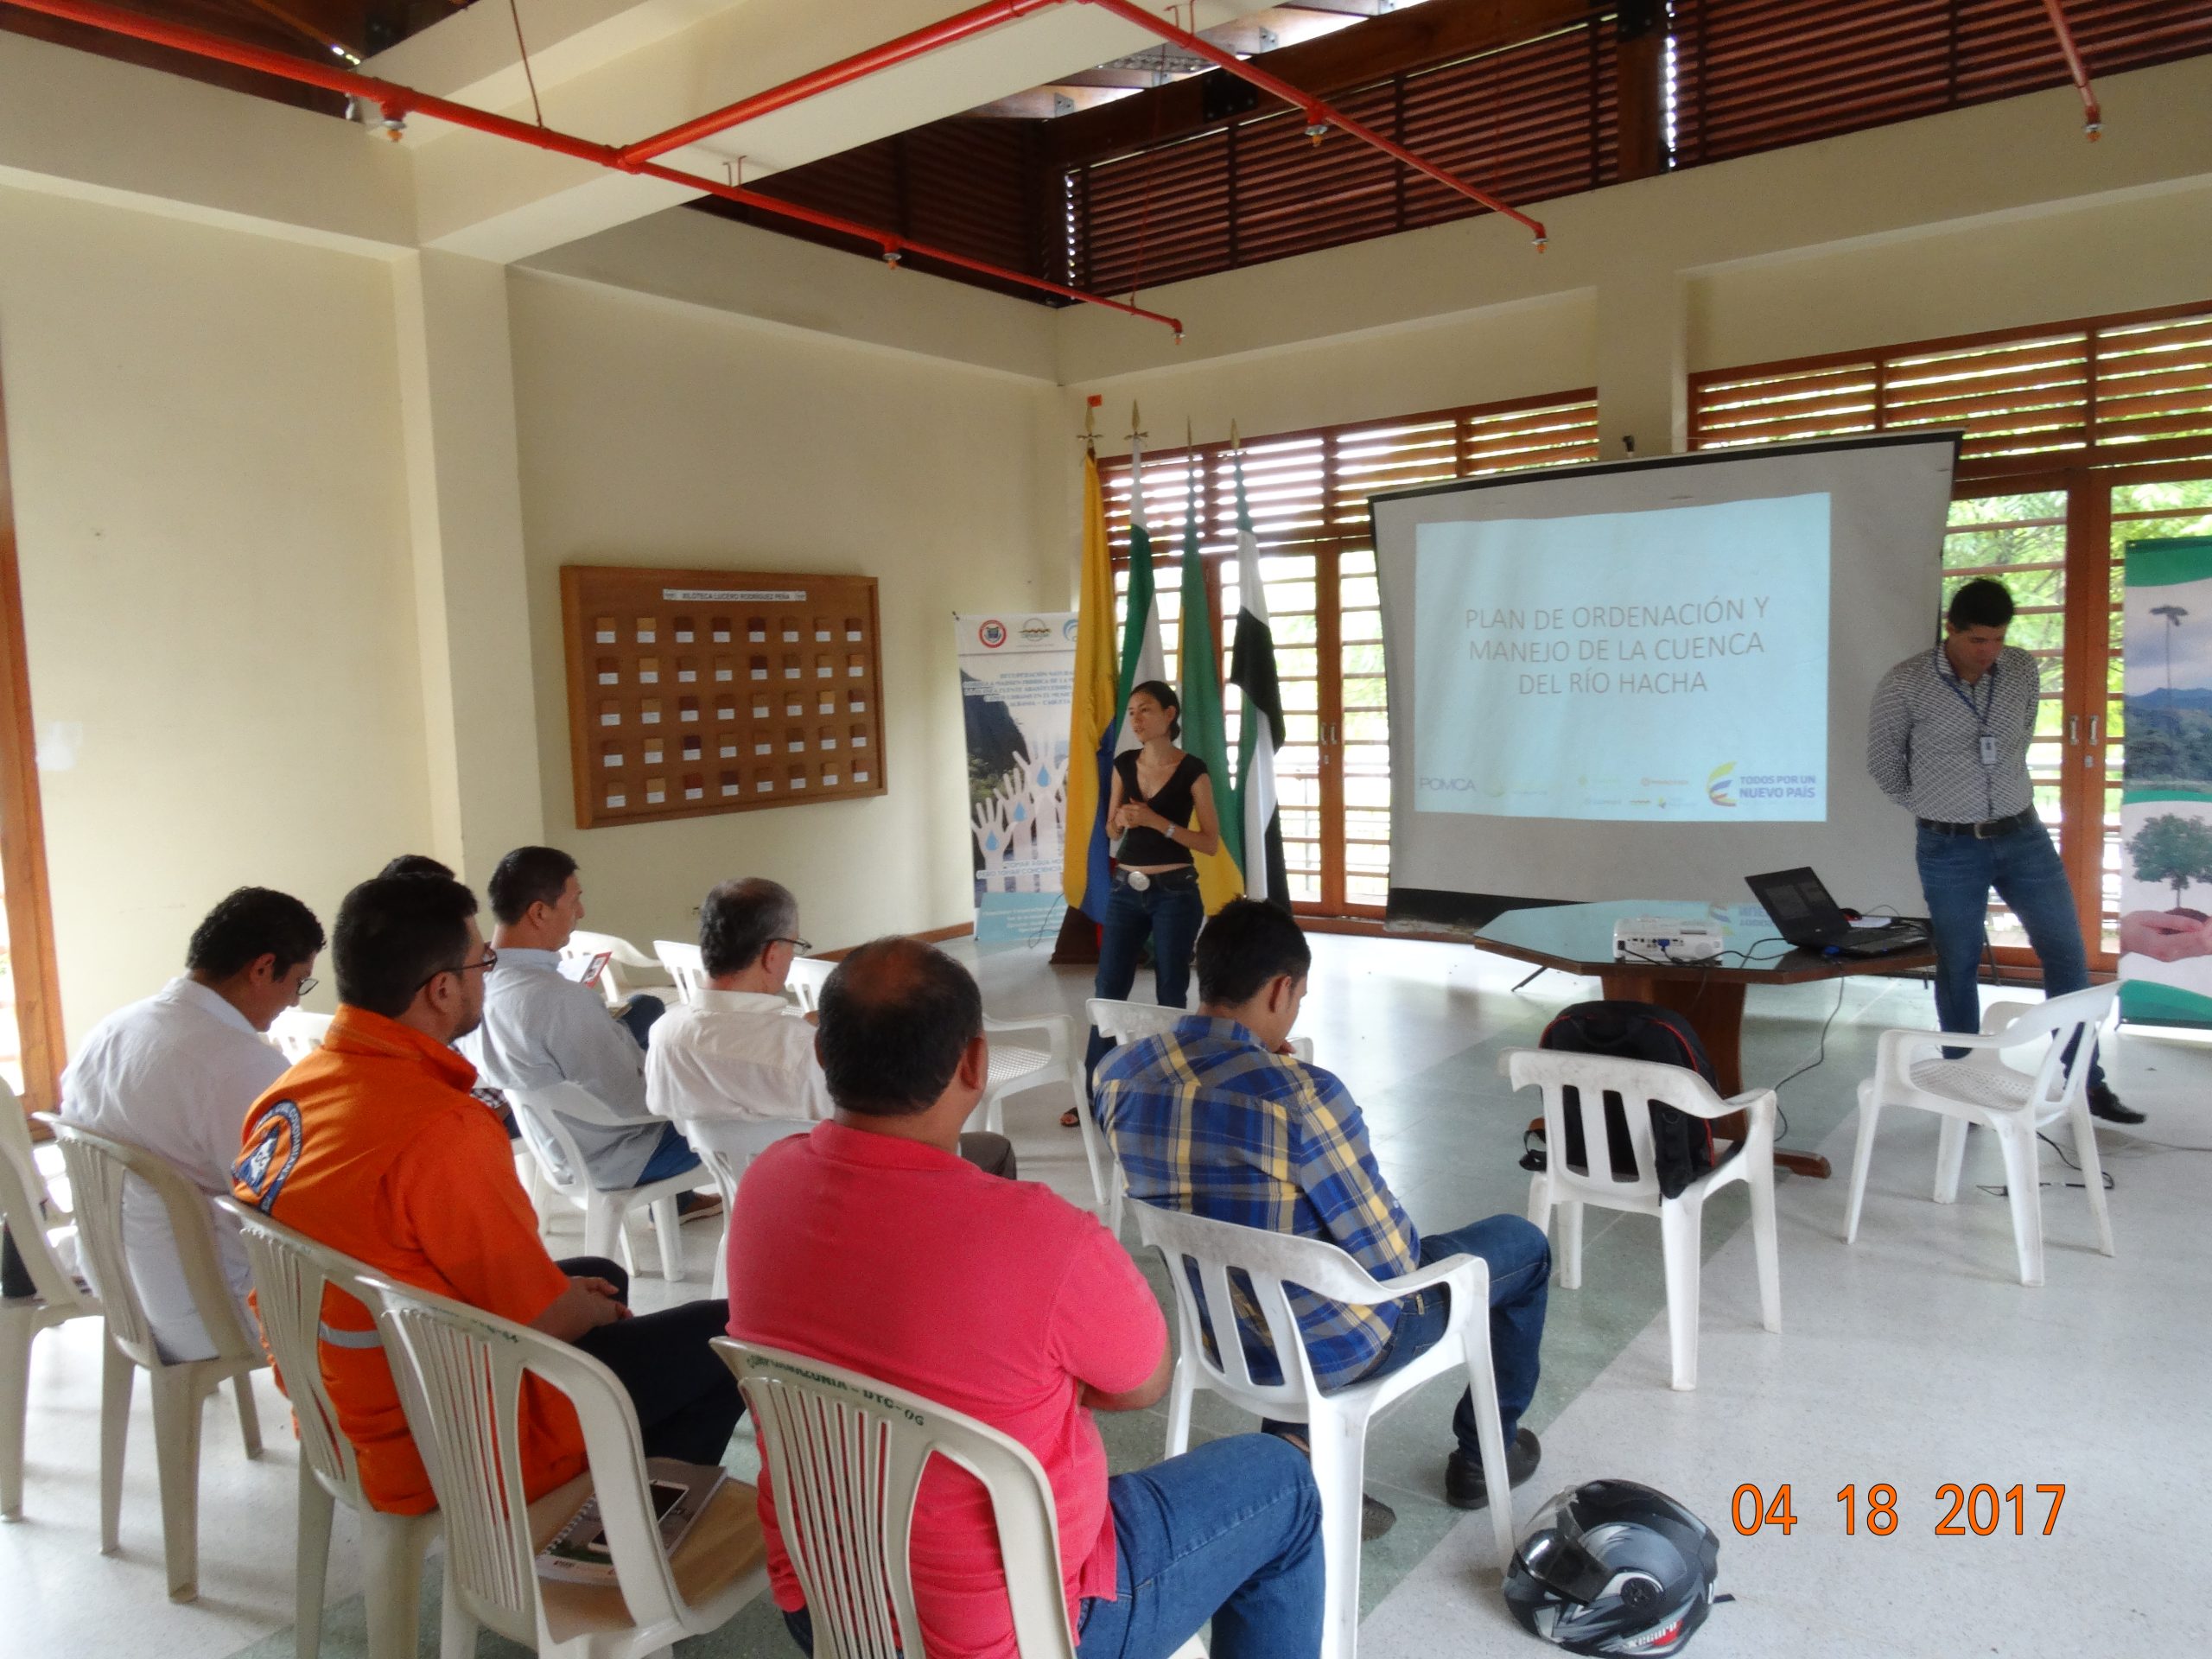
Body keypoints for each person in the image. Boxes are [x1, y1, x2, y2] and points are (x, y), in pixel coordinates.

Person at [726, 937, 1324, 1659]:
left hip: (826, 1602)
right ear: (975, 1064)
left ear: (821, 1052)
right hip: (1022, 1629)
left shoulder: (764, 1185)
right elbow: (1143, 1384)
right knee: (1284, 1482)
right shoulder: (1047, 1237)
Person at [231, 874, 742, 1516]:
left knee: (599, 1272)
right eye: (484, 963)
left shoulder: (288, 1094)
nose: (487, 974)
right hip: (451, 1433)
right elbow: (536, 1323)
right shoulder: (441, 1127)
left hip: (343, 1404)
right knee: (726, 1336)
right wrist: (579, 1311)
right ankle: (622, 1541)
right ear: (442, 989)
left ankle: (613, 1493)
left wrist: (573, 1297)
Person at [1097, 899, 1550, 1522]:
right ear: (1282, 988)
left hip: (1222, 1337)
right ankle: (1482, 1453)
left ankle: (1305, 1457)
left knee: (1273, 1242)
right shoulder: (1301, 1096)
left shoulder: (1119, 1075)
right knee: (1521, 1245)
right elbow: (1393, 1263)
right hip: (1339, 1349)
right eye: (1300, 996)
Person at [1868, 577, 2141, 1122]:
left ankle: (2086, 1080)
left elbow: (2019, 733)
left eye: (1996, 639)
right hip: (1949, 846)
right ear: (1951, 630)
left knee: (2066, 952)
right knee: (1959, 964)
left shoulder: (2020, 669)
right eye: (1977, 641)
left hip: (2024, 835)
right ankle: (1962, 1083)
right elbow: (1884, 765)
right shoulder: (1906, 683)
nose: (1989, 652)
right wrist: (1936, 807)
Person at [60, 887, 323, 1362]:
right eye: (299, 982)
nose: (292, 1002)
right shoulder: (239, 1066)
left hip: (117, 1288)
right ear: (263, 969)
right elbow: (293, 1216)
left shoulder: (113, 1028)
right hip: (205, 1314)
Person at [645, 877, 1017, 1177]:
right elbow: (879, 1129)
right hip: (845, 1192)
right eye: (794, 945)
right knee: (992, 1150)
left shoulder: (664, 1034)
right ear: (772, 953)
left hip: (748, 1203)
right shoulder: (798, 1048)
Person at [461, 845, 716, 1205]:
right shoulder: (561, 999)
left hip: (558, 1150)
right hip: (618, 1156)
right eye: (574, 900)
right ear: (539, 912)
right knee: (752, 1116)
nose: (580, 912)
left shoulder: (477, 983)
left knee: (646, 1018)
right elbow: (637, 1102)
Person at [1077, 680, 1224, 1118]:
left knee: (1170, 992)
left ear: (1170, 714)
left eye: (1145, 711)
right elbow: (1111, 831)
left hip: (1175, 892)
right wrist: (1120, 821)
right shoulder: (1123, 763)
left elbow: (1211, 842)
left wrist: (1159, 823)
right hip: (1126, 888)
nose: (1136, 720)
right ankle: (1094, 1093)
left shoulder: (1194, 770)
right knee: (1109, 989)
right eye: (1133, 713)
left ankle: (1168, 1090)